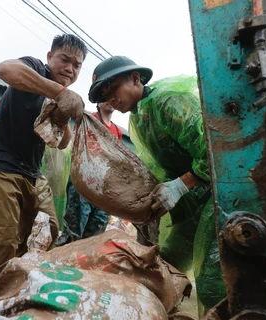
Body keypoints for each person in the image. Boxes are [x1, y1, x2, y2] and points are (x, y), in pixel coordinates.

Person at [88, 56, 221, 312]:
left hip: (217, 197)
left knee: (213, 279)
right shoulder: (138, 118)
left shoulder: (167, 102)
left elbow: (214, 148)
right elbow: (155, 165)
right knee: (165, 265)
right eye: (105, 95)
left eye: (113, 89)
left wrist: (181, 185)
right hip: (192, 206)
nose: (110, 99)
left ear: (135, 78)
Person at [0, 34, 87, 286]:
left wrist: (63, 114)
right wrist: (57, 91)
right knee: (2, 242)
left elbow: (63, 142)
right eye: (64, 60)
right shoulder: (35, 68)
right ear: (50, 57)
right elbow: (5, 69)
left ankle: (13, 287)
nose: (69, 68)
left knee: (47, 232)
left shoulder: (60, 95)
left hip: (32, 173)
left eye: (76, 65)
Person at [55, 102, 123, 246]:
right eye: (105, 97)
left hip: (103, 188)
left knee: (96, 234)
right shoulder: (88, 120)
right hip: (83, 181)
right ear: (98, 101)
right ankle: (62, 262)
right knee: (74, 229)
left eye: (112, 98)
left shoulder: (117, 131)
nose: (109, 101)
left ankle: (83, 263)